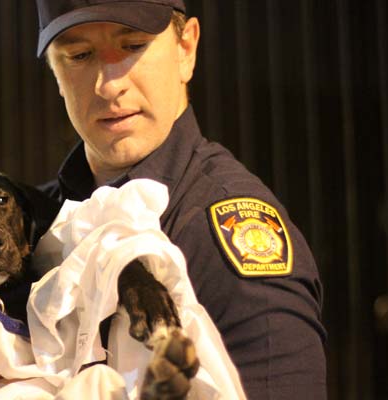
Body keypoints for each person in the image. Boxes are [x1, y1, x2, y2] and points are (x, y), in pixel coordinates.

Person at [32, 0, 327, 399]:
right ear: (55, 70)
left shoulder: (226, 231)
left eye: (133, 46)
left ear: (185, 49)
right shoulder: (33, 223)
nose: (108, 84)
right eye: (80, 55)